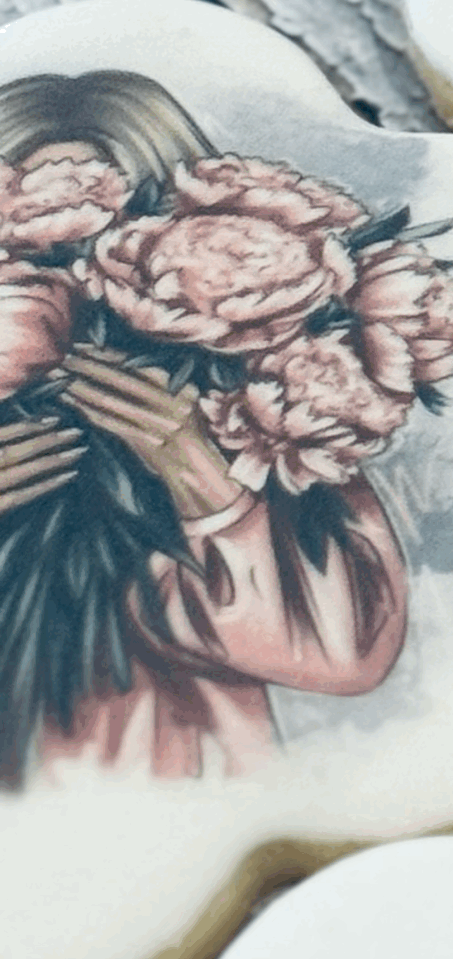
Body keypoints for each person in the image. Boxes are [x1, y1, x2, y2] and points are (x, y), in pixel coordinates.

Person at [0, 72, 410, 786]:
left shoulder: (264, 417)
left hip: (172, 786)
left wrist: (202, 481)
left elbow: (346, 651)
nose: (69, 285)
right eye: (30, 257)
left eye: (105, 244)